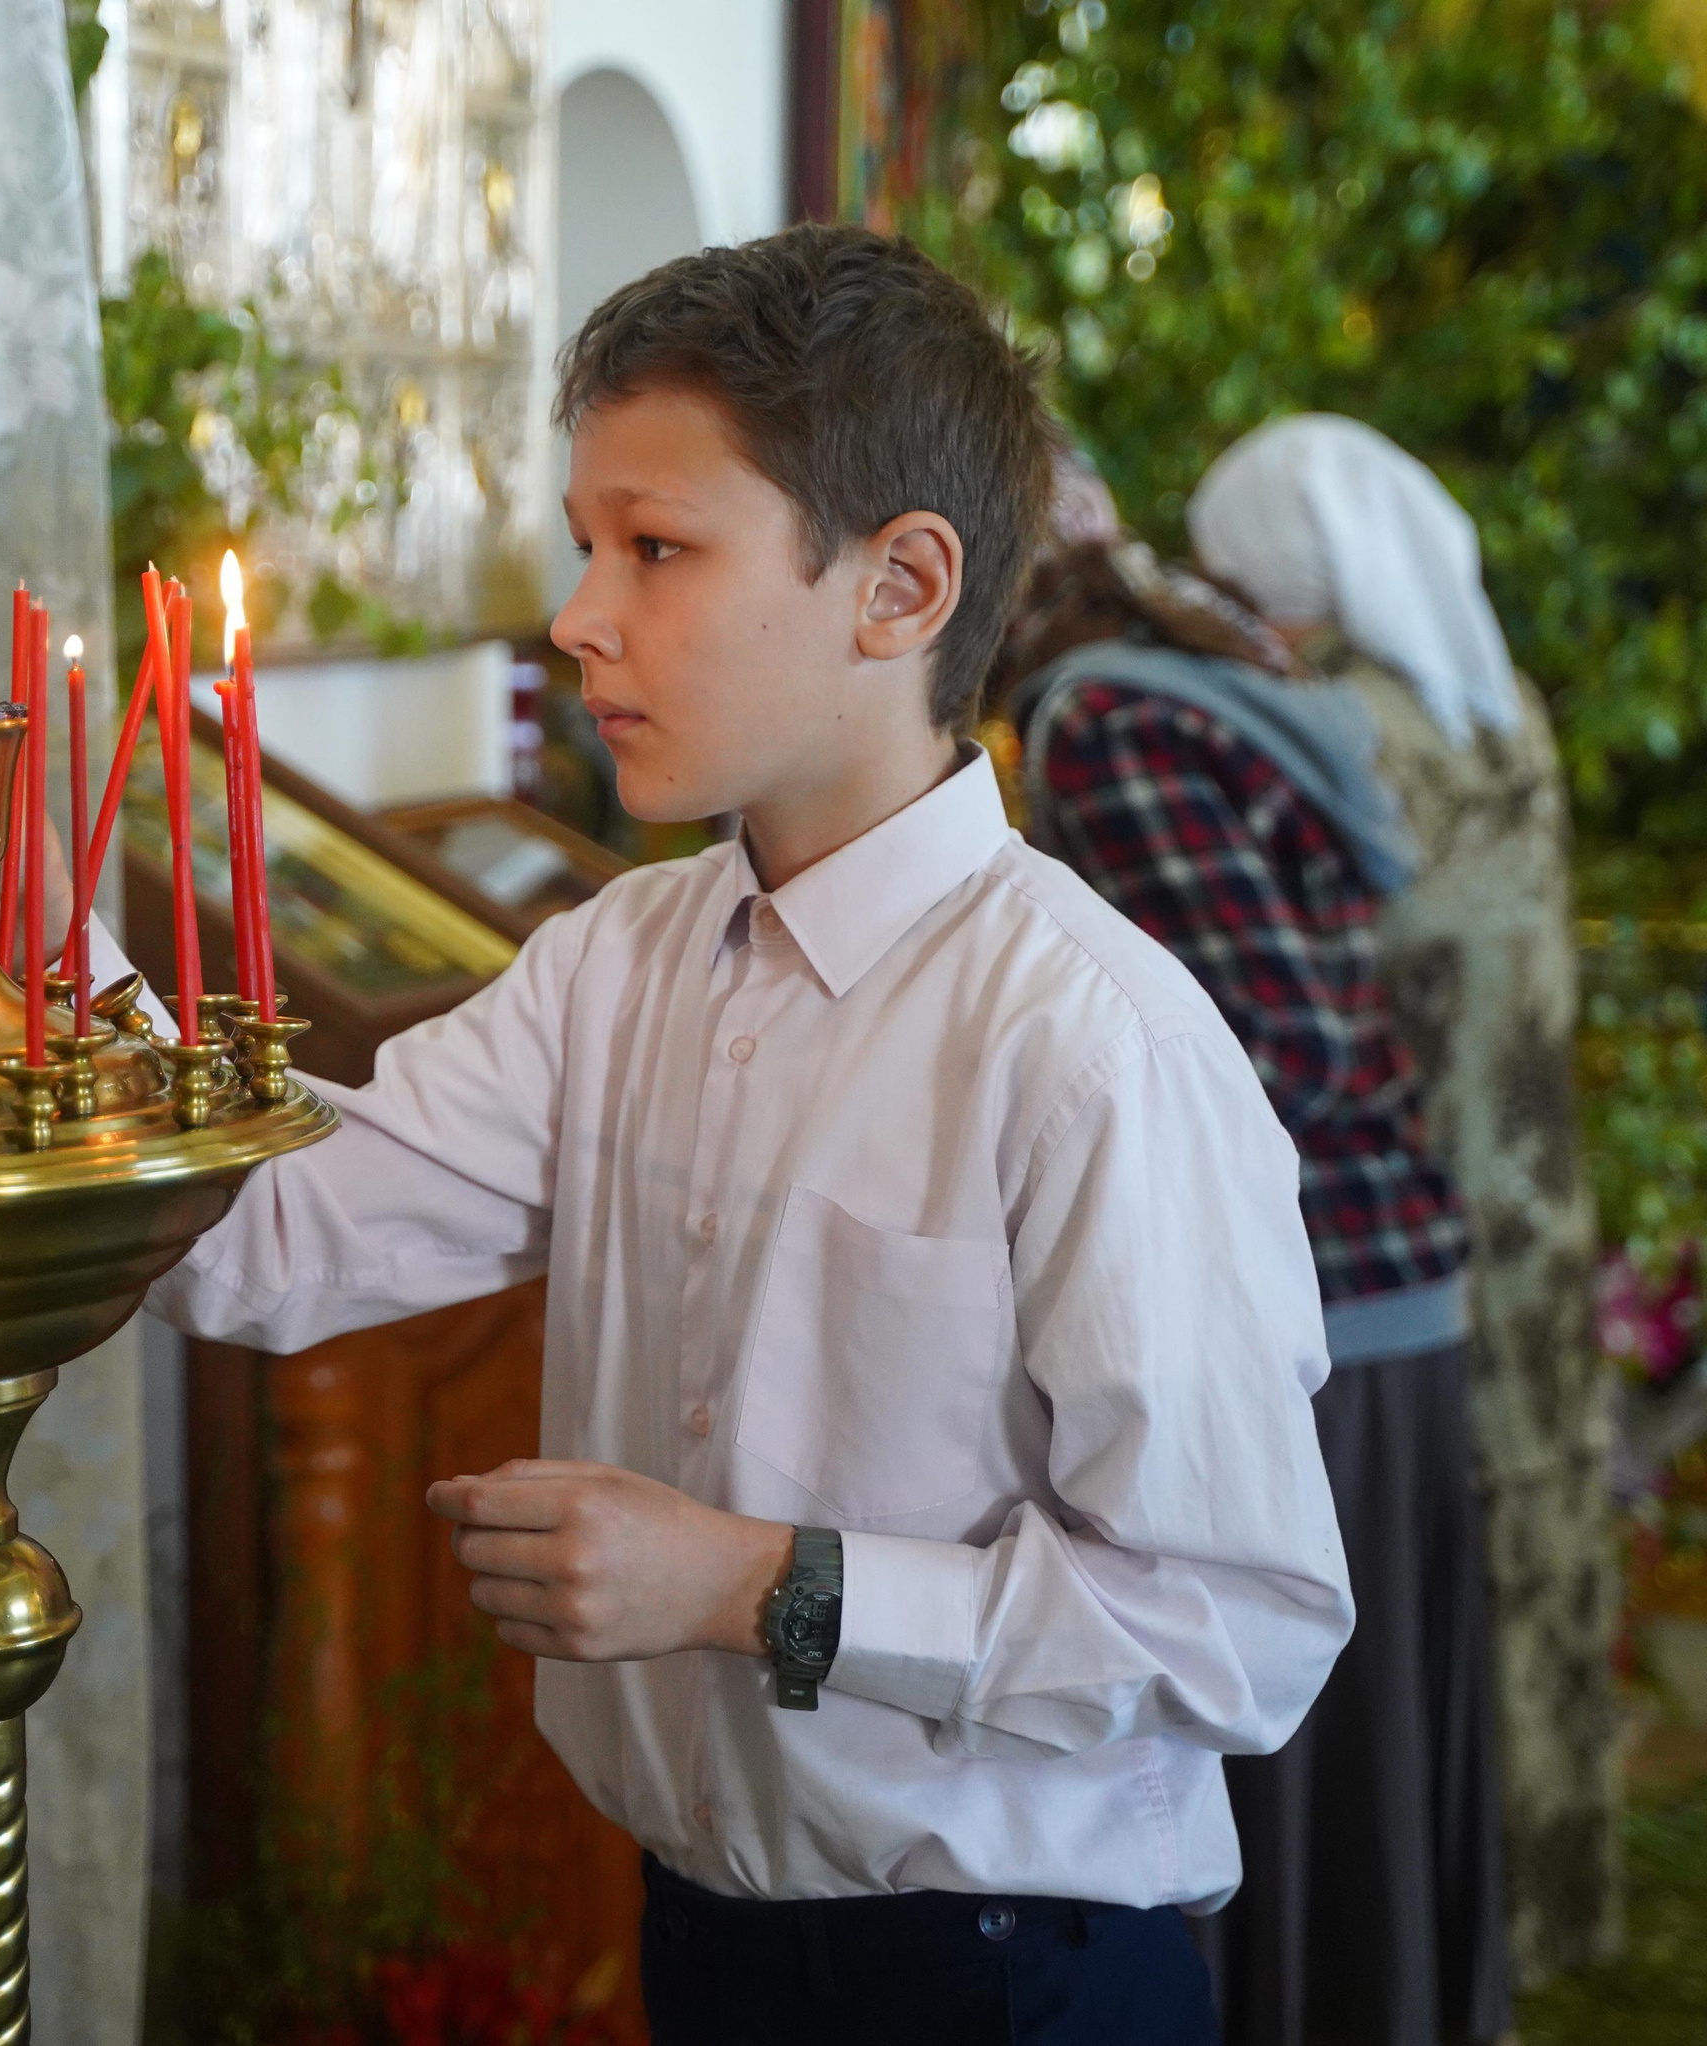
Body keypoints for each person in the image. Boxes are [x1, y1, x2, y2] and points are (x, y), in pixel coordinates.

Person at [145, 223, 1353, 2044]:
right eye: (587, 544)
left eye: (656, 547)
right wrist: (13, 945)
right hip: (707, 1943)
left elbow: (1235, 1628)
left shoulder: (1087, 1039)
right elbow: (266, 1240)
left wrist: (750, 1584)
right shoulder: (615, 961)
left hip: (1003, 1975)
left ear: (899, 587)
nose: (580, 615)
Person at [996, 498, 1510, 2046]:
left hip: (1314, 1312)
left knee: (1298, 1765)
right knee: (1367, 1777)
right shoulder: (1188, 690)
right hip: (1380, 1281)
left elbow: (1277, 1034)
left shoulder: (1102, 723)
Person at [1191, 415, 1614, 1988]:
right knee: (1520, 1537)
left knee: (1418, 1581)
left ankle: (1414, 1935)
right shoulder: (1498, 709)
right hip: (1529, 1198)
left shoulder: (1333, 734)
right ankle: (1511, 1915)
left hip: (1393, 1221)